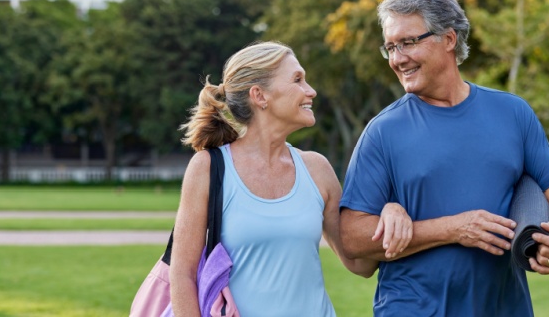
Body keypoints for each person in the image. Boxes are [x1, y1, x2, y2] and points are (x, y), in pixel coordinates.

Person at [338, 0, 549, 316]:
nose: (397, 59)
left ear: (449, 39)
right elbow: (352, 236)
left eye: (408, 43)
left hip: (503, 308)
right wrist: (452, 228)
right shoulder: (382, 131)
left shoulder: (514, 113)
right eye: (390, 48)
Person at [170, 41, 412, 317]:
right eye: (297, 80)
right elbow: (183, 274)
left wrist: (390, 211)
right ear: (260, 96)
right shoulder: (209, 168)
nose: (311, 91)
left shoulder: (317, 169)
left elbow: (360, 264)